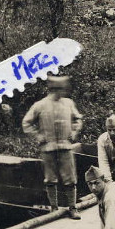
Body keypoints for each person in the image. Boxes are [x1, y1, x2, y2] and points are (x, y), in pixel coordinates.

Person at [22, 75, 84, 217]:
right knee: (50, 179)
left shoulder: (68, 103)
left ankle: (72, 208)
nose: (62, 93)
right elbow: (26, 123)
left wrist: (73, 132)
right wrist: (38, 136)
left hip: (65, 147)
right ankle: (54, 208)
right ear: (53, 89)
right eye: (59, 90)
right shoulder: (40, 105)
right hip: (48, 148)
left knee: (70, 179)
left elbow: (77, 119)